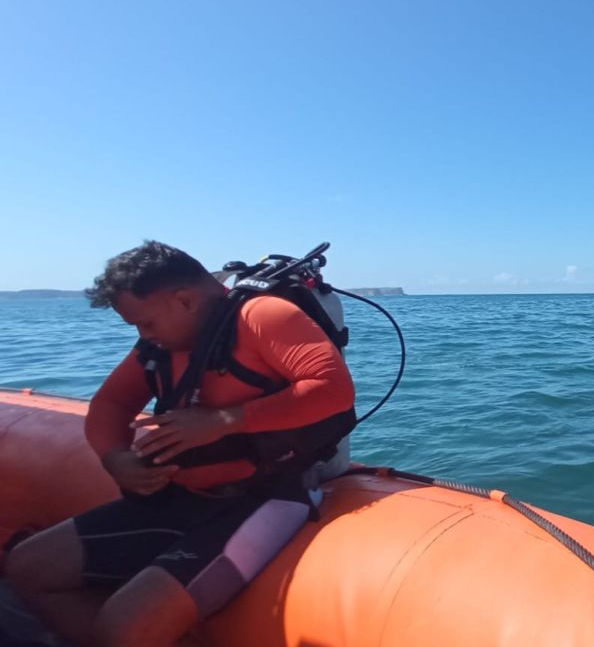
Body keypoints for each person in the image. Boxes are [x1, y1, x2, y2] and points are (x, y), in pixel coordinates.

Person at [6, 241, 356, 647]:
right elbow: (112, 403)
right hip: (181, 497)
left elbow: (332, 389)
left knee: (124, 625)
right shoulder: (162, 344)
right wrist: (114, 457)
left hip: (265, 498)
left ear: (185, 300)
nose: (143, 335)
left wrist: (222, 422)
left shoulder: (265, 316)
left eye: (147, 323)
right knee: (29, 566)